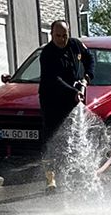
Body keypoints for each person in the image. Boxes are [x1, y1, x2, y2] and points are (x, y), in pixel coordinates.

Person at [38, 18, 93, 188]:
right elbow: (55, 79)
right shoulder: (47, 54)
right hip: (52, 100)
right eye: (58, 36)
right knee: (51, 139)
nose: (62, 39)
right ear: (52, 35)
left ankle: (76, 172)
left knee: (75, 134)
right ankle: (50, 178)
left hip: (73, 98)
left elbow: (89, 59)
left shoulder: (75, 45)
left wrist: (86, 78)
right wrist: (74, 92)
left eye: (65, 35)